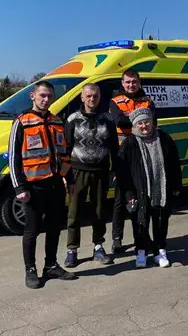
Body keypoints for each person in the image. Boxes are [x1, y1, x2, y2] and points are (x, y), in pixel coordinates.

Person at [8, 80, 76, 289]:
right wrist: (19, 188)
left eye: (49, 96)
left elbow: (64, 154)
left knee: (55, 226)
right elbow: (13, 158)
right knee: (32, 229)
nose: (46, 100)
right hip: (32, 187)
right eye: (42, 96)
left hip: (54, 184)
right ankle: (30, 270)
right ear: (33, 96)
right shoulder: (22, 121)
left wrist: (70, 179)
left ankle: (51, 265)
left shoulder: (56, 121)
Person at [117, 107, 182, 269]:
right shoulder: (129, 143)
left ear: (152, 122)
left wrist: (176, 186)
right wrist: (129, 194)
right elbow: (122, 173)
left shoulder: (164, 139)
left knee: (160, 222)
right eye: (140, 123)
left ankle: (160, 251)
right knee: (140, 224)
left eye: (147, 122)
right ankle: (141, 254)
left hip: (161, 189)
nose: (144, 126)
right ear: (134, 125)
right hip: (139, 192)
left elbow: (174, 164)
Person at [64, 83, 119, 268]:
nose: (91, 99)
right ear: (82, 97)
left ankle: (98, 246)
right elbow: (66, 148)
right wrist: (66, 173)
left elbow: (114, 147)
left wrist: (115, 169)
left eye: (95, 96)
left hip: (101, 171)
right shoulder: (73, 119)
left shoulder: (108, 119)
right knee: (74, 212)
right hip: (77, 171)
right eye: (88, 96)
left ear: (99, 97)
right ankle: (72, 250)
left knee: (99, 210)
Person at [109, 69, 157, 255]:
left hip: (144, 154)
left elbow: (152, 122)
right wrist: (140, 118)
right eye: (127, 82)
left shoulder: (148, 101)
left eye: (134, 82)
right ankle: (117, 238)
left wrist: (134, 118)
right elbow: (119, 121)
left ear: (139, 82)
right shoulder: (116, 101)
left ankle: (143, 237)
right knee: (121, 199)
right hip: (123, 156)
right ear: (122, 83)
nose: (131, 85)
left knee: (143, 198)